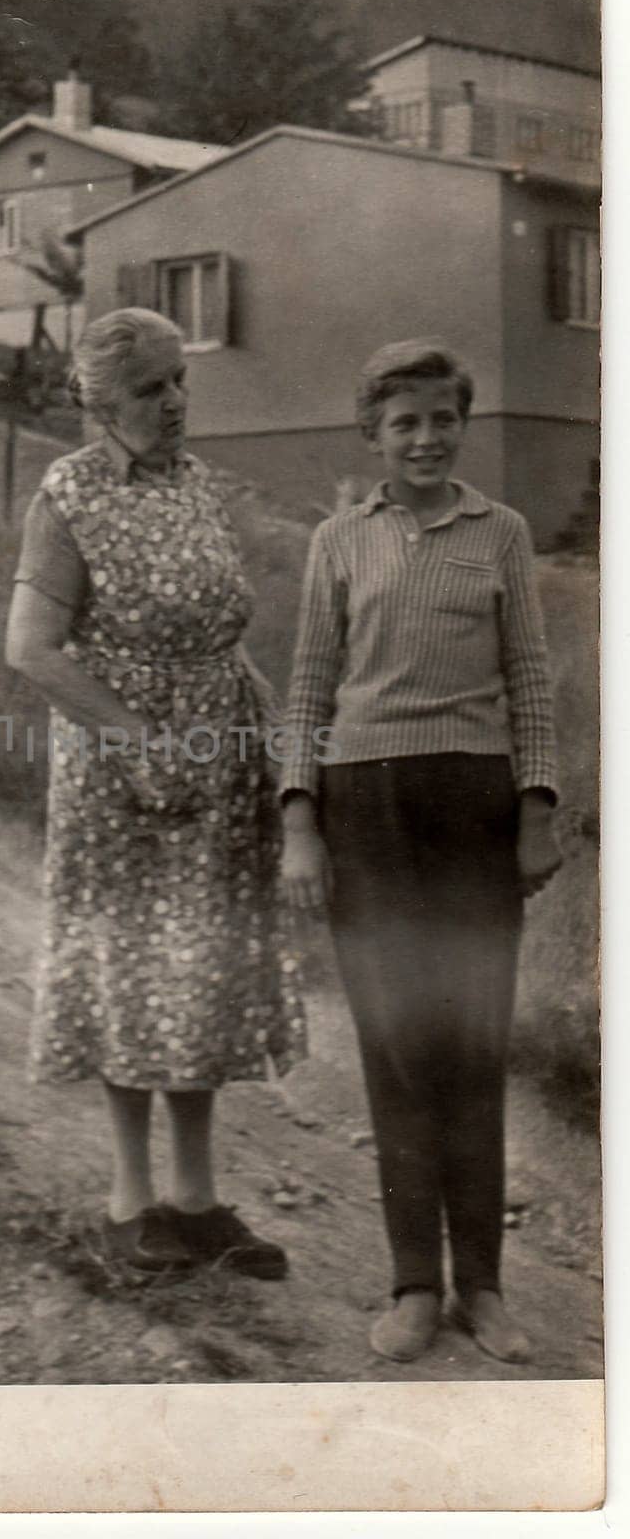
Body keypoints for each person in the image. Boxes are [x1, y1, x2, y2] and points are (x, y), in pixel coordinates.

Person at [5, 307, 306, 1277]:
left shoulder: (197, 486)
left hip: (218, 762)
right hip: (123, 775)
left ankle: (197, 1198)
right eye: (151, 388)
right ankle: (131, 1203)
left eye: (180, 381)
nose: (175, 402)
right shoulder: (70, 496)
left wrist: (261, 738)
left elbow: (220, 627)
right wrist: (142, 744)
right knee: (131, 973)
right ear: (100, 403)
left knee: (198, 976)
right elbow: (32, 650)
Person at [279, 339, 562, 1363]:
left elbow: (531, 680)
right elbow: (309, 684)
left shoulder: (504, 535)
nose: (427, 438)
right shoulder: (339, 541)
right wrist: (301, 820)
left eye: (443, 418)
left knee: (474, 1041)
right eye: (404, 422)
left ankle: (483, 1287)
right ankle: (412, 1284)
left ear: (463, 423)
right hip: (368, 805)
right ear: (373, 435)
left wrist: (536, 807)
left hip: (475, 808)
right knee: (398, 1043)